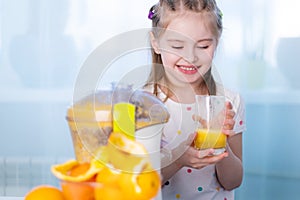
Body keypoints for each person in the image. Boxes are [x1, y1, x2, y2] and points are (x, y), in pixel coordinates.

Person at [144, 0, 246, 199]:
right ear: (156, 42)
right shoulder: (143, 103)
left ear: (216, 41)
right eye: (177, 46)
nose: (190, 57)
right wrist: (178, 160)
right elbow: (140, 183)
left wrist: (219, 142)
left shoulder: (229, 101)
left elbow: (233, 181)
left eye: (203, 46)